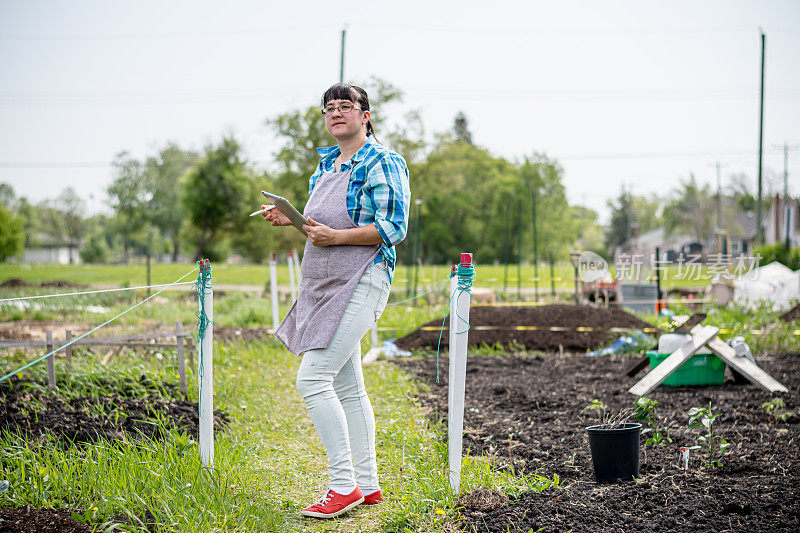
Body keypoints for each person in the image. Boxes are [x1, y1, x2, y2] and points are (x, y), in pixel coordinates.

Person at [262, 83, 410, 519]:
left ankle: (342, 486)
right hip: (324, 283)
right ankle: (366, 484)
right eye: (330, 108)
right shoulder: (325, 165)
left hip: (362, 279)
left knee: (313, 379)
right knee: (348, 385)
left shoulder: (384, 161)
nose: (336, 113)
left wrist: (337, 237)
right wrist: (290, 220)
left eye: (346, 107)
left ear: (366, 115)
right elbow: (320, 229)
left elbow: (393, 226)